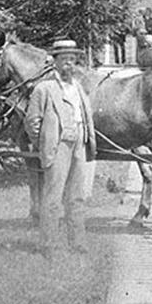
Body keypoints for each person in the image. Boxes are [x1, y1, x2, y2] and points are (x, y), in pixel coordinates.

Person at [25, 38, 97, 257]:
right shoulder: (43, 89)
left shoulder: (78, 87)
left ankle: (78, 242)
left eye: (72, 60)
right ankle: (49, 244)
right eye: (64, 60)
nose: (69, 64)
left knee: (77, 195)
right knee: (53, 197)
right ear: (54, 61)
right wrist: (46, 143)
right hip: (58, 146)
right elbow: (32, 122)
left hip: (79, 144)